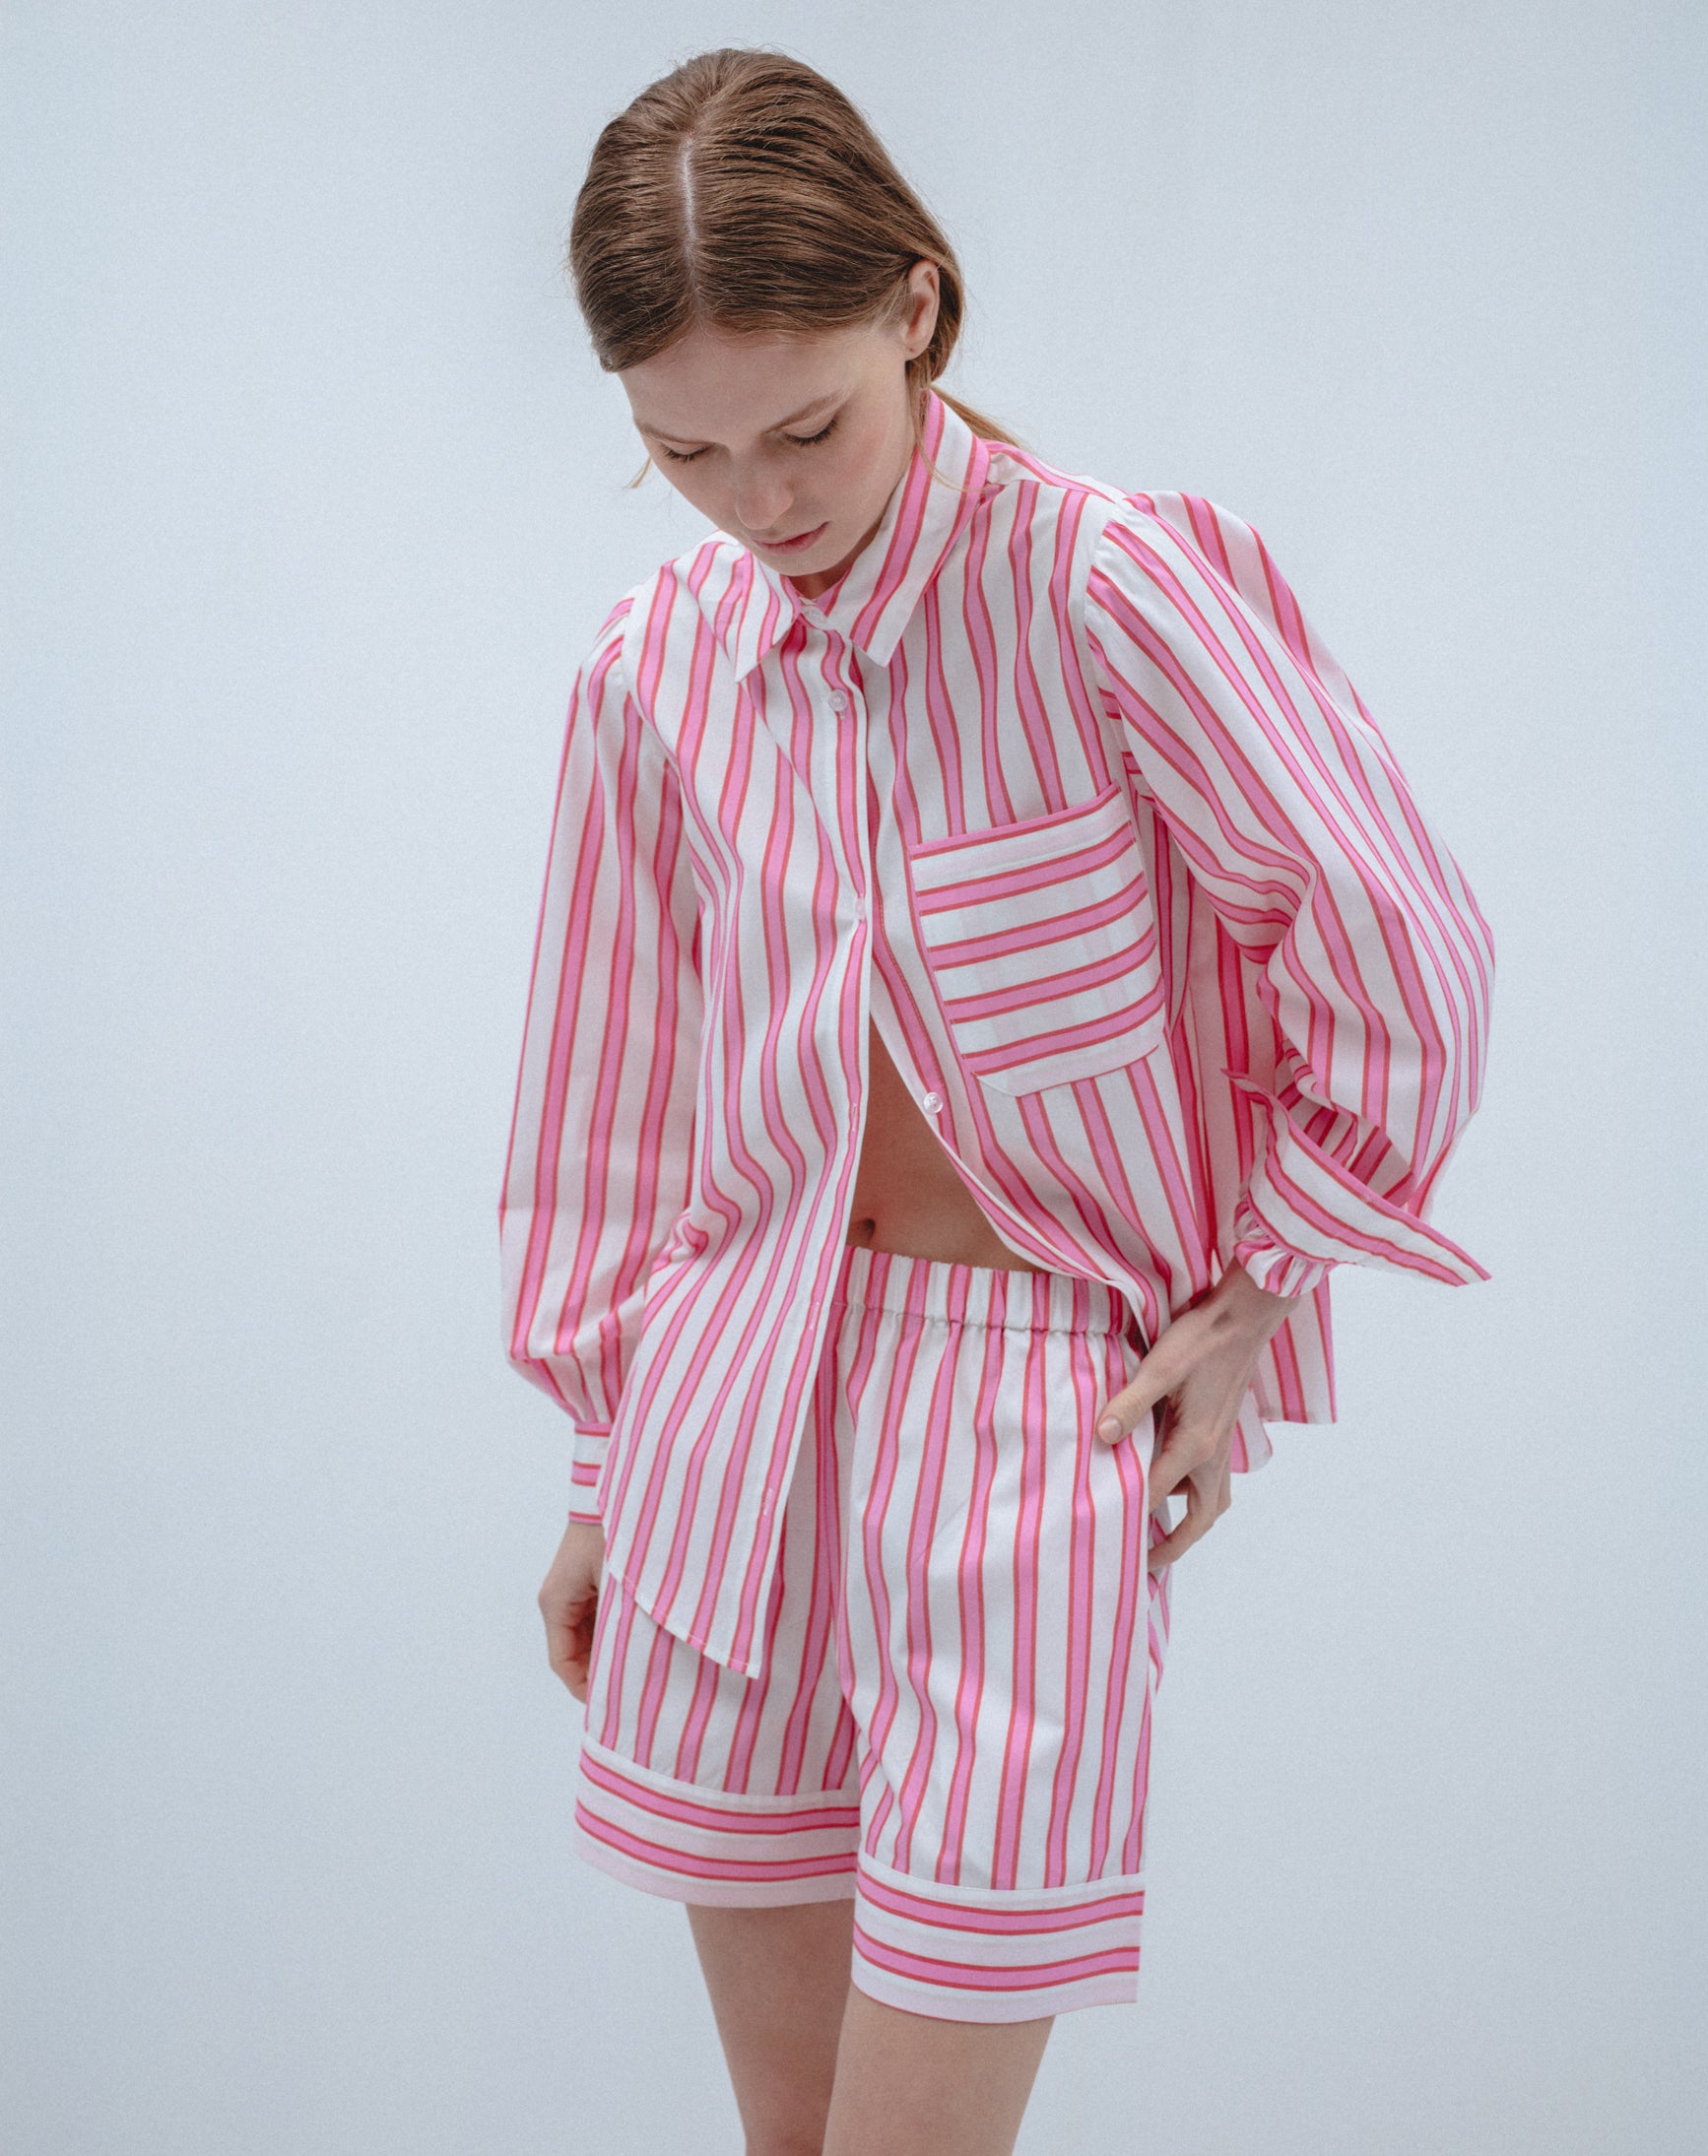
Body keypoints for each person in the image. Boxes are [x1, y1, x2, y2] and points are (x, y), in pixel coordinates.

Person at [497, 46, 1494, 2156]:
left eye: (807, 428)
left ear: (917, 307)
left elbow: (1394, 956)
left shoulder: (1108, 588)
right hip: (724, 1426)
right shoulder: (651, 668)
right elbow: (617, 1117)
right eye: (683, 451)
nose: (763, 503)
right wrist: (601, 1467)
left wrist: (1259, 1298)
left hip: (1028, 1417)